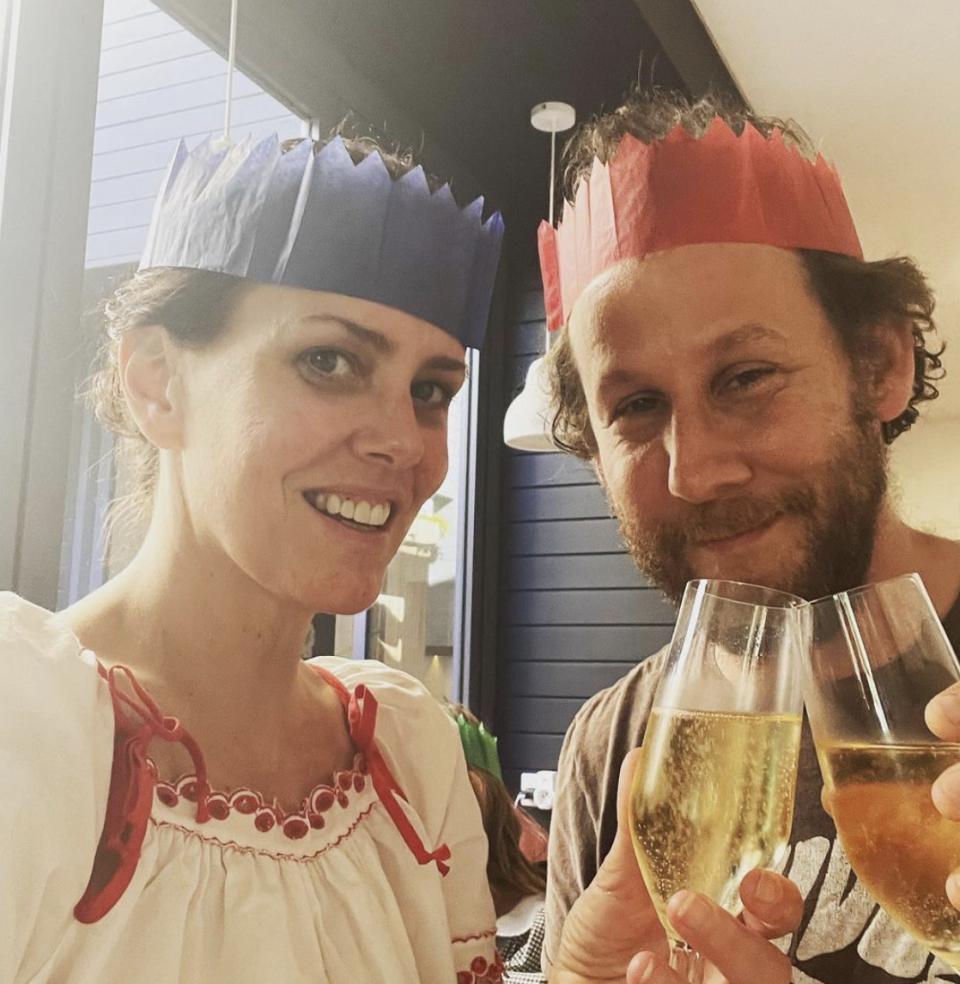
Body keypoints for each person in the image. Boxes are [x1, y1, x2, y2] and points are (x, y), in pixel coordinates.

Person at [1, 118, 800, 984]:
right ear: (158, 382)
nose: (403, 442)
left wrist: (579, 978)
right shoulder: (25, 727)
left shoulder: (411, 755)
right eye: (328, 361)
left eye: (429, 391)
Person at [538, 88, 960, 984]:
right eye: (638, 405)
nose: (696, 473)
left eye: (746, 377)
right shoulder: (613, 748)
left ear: (880, 367)